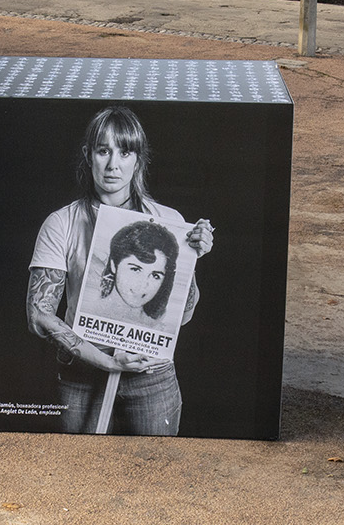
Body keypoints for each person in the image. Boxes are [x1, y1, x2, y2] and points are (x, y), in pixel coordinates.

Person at [27, 106, 216, 436]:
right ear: (89, 155)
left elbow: (183, 316)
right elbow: (39, 316)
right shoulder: (62, 223)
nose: (113, 164)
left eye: (124, 152)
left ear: (138, 158)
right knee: (81, 473)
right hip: (82, 375)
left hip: (151, 377)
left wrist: (192, 259)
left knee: (152, 474)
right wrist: (106, 361)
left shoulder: (168, 221)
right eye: (103, 151)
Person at [96, 218, 182, 325]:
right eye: (135, 269)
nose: (143, 284)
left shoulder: (158, 328)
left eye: (155, 275)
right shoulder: (89, 310)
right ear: (114, 265)